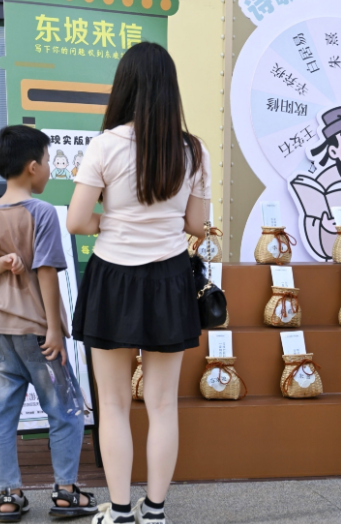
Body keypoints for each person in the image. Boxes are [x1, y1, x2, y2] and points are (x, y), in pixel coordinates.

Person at [67, 42, 210, 524]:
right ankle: (155, 511)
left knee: (113, 404)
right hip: (170, 277)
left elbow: (76, 221)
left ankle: (121, 512)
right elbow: (197, 225)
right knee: (163, 403)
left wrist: (111, 222)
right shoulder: (193, 150)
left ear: (124, 86)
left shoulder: (105, 145)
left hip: (113, 277)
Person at [0, 125, 96, 522]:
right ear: (32, 166)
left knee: (3, 417)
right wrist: (54, 328)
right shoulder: (42, 212)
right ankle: (66, 491)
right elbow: (46, 272)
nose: (51, 169)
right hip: (39, 334)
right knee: (65, 410)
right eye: (49, 161)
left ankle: (8, 496)